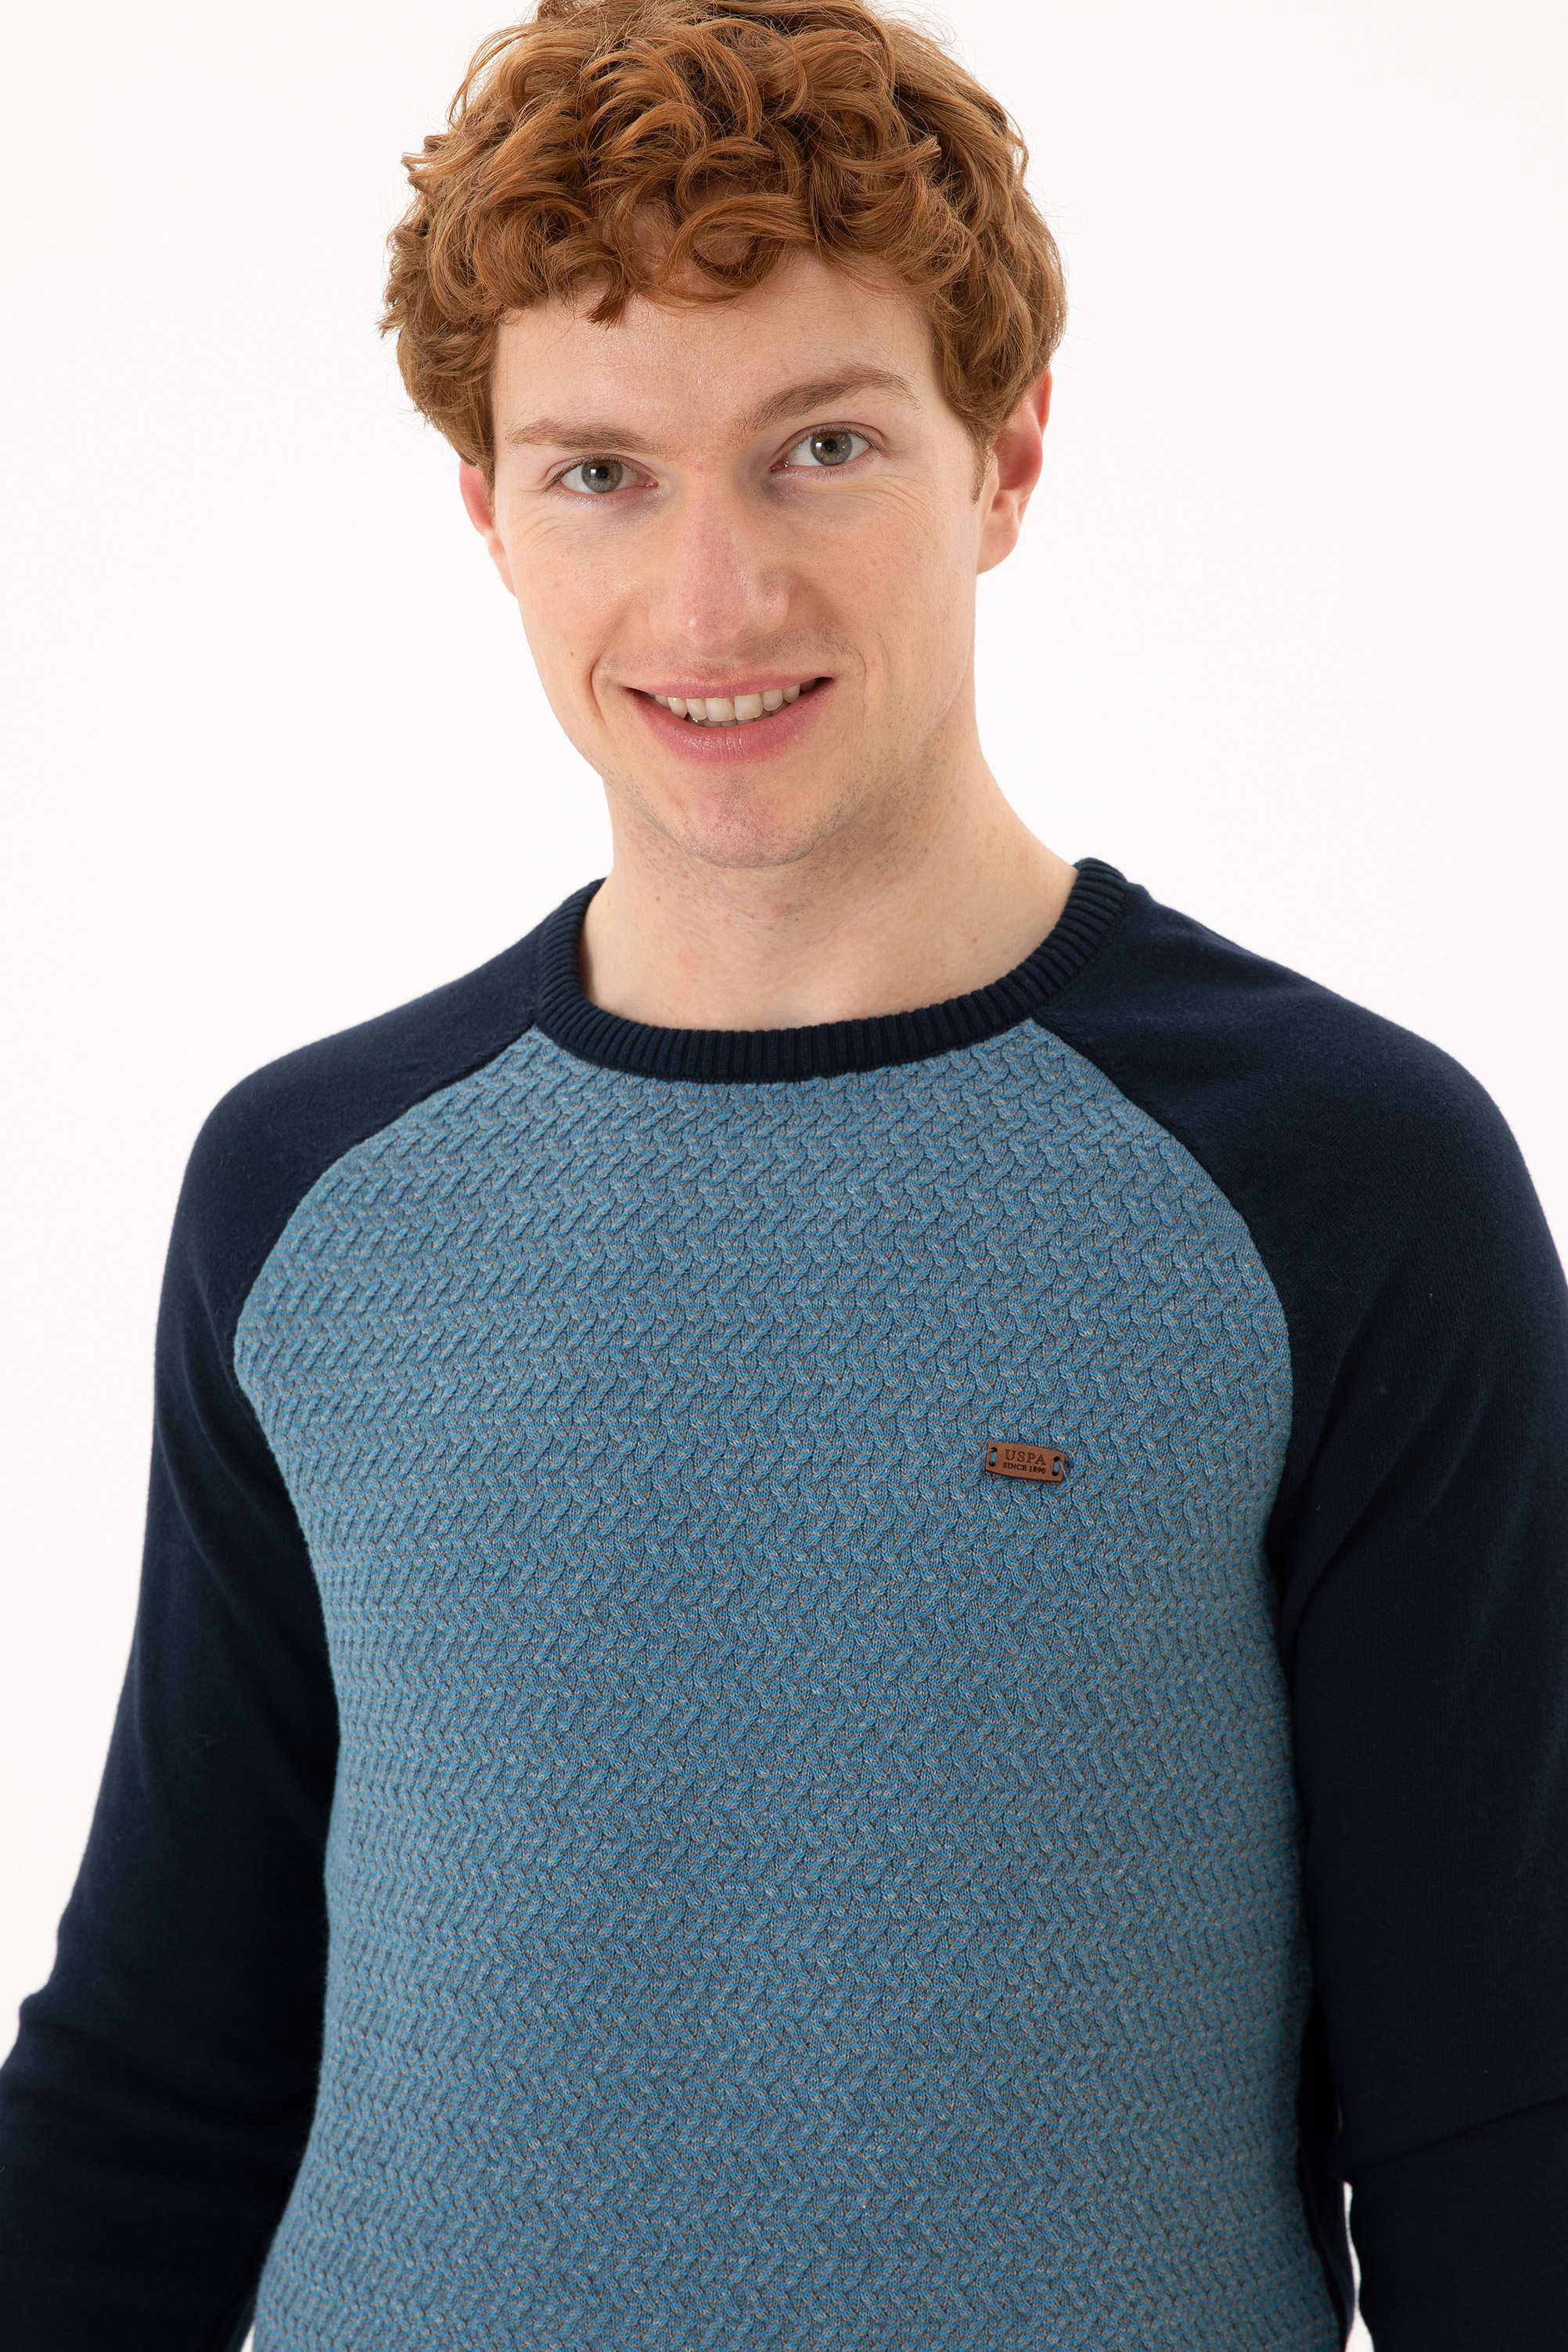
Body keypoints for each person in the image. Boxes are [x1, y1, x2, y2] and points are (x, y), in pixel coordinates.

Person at [1, 0, 1564, 2343]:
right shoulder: (308, 1193)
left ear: (1005, 458)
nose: (711, 601)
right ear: (486, 512)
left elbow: (1498, 2111)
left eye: (821, 446)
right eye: (600, 472)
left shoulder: (1340, 1180)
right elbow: (158, 2078)